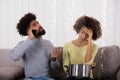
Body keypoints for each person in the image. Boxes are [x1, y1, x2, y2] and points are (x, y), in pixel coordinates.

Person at [10, 12, 60, 80]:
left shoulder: (48, 44)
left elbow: (56, 68)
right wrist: (30, 38)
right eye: (34, 25)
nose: (39, 25)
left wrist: (54, 60)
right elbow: (14, 57)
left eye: (37, 23)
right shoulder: (23, 44)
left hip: (46, 78)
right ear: (28, 31)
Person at [63, 15, 102, 80]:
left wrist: (90, 41)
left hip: (87, 77)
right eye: (82, 32)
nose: (84, 36)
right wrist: (74, 70)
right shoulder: (67, 45)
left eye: (87, 35)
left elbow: (87, 62)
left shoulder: (94, 47)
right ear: (78, 30)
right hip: (72, 77)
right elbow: (65, 67)